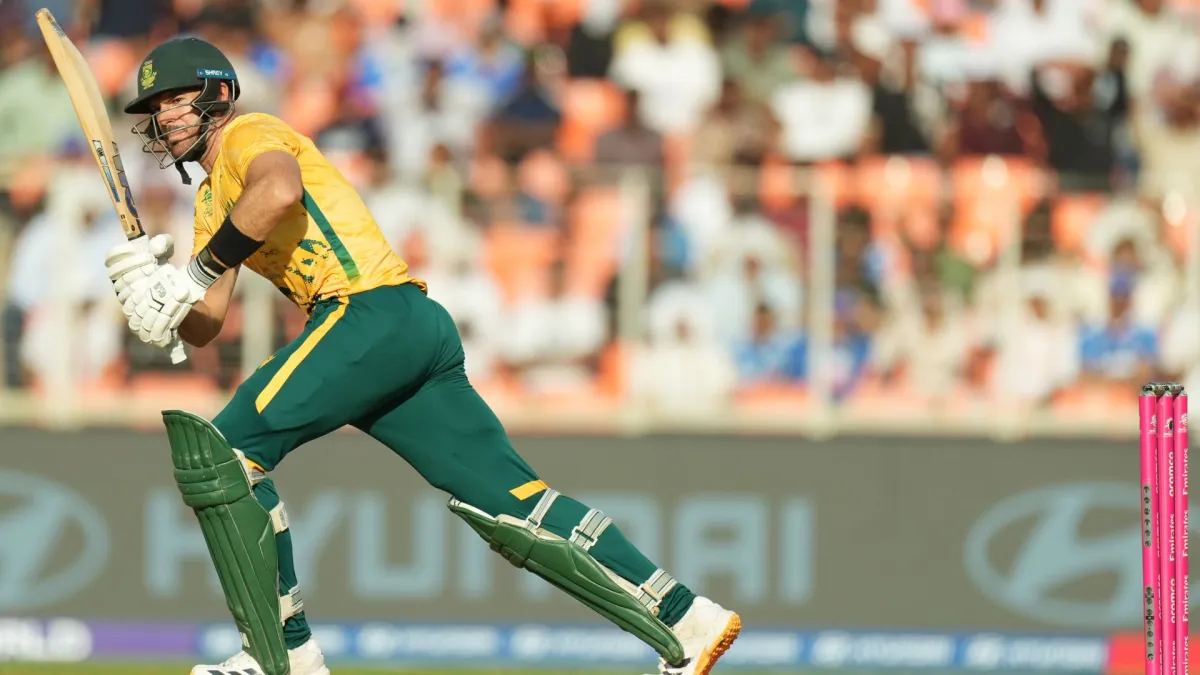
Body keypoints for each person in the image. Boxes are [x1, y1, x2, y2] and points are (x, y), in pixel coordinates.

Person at [103, 37, 741, 675]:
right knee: (511, 504)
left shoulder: (251, 134)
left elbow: (280, 190)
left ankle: (283, 655)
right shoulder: (211, 200)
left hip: (368, 313)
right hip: (406, 328)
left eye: (177, 99)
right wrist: (159, 302)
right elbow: (208, 322)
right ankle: (685, 617)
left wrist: (194, 273)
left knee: (222, 454)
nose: (165, 116)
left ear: (219, 93)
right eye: (156, 107)